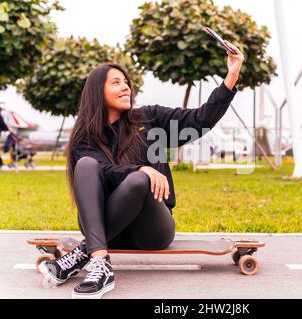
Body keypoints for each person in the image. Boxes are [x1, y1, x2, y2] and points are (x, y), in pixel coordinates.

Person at [38, 42, 245, 299]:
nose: (126, 86)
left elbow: (199, 120)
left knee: (138, 180)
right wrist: (142, 169)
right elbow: (103, 170)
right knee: (88, 165)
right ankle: (101, 266)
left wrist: (231, 76)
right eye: (116, 82)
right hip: (104, 228)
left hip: (150, 229)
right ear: (96, 92)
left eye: (126, 82)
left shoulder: (149, 119)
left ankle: (84, 253)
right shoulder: (85, 138)